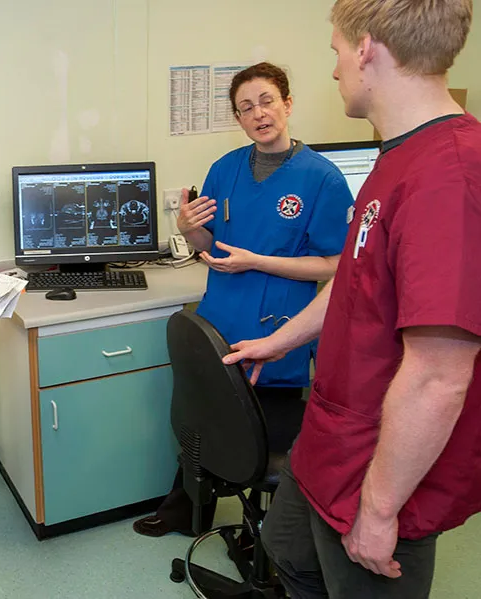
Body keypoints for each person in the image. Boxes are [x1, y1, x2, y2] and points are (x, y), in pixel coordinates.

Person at [224, 1, 481, 597]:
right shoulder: (397, 156)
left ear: (366, 47)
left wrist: (381, 509)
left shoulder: (451, 176)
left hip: (381, 462)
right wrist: (279, 340)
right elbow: (356, 277)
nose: (335, 70)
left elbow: (439, 374)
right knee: (286, 551)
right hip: (331, 439)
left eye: (336, 52)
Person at [133, 62, 353, 539]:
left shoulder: (322, 179)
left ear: (288, 104)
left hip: (279, 328)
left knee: (258, 432)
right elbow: (207, 243)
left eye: (267, 101)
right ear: (238, 118)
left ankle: (271, 535)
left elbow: (337, 266)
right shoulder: (225, 168)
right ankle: (186, 512)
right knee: (202, 417)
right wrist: (186, 226)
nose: (259, 114)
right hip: (221, 318)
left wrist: (258, 261)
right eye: (246, 108)